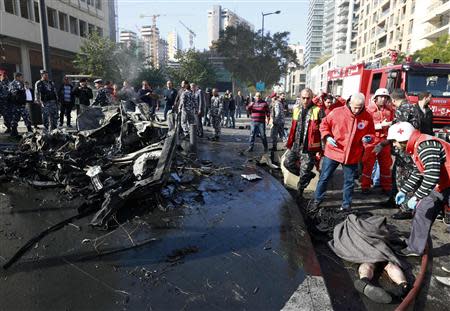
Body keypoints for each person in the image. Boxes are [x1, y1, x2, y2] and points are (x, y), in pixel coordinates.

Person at [389, 122, 450, 257]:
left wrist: (417, 196)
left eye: (394, 141)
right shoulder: (418, 145)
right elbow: (418, 171)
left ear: (403, 139)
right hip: (442, 184)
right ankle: (415, 246)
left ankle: (415, 247)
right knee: (422, 211)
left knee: (424, 209)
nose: (394, 145)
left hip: (445, 185)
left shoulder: (425, 146)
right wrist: (404, 190)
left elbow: (432, 175)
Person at [310, 93, 375, 210]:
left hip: (352, 155)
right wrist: (327, 136)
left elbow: (371, 133)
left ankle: (346, 206)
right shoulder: (337, 112)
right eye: (355, 107)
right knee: (324, 177)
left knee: (349, 182)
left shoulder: (367, 117)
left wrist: (368, 138)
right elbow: (323, 125)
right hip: (333, 151)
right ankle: (317, 200)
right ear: (350, 103)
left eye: (360, 107)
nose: (357, 110)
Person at [379, 88, 420, 219]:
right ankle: (394, 199)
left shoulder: (403, 109)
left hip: (404, 148)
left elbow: (399, 129)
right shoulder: (412, 107)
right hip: (405, 147)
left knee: (404, 177)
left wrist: (385, 142)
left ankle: (406, 208)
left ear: (394, 100)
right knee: (396, 174)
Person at [284, 88, 324, 197]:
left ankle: (300, 191)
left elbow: (323, 129)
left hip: (309, 147)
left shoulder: (318, 110)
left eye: (308, 98)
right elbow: (293, 127)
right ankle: (307, 175)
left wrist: (322, 149)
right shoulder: (296, 109)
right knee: (287, 163)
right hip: (296, 145)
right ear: (300, 98)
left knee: (305, 169)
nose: (305, 100)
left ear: (312, 98)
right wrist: (289, 142)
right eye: (303, 98)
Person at [360, 88, 394, 194]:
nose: (383, 99)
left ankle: (386, 187)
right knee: (368, 164)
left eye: (385, 97)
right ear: (376, 98)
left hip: (385, 141)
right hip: (372, 140)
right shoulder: (368, 110)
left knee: (386, 165)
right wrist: (380, 125)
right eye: (381, 97)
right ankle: (365, 187)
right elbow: (363, 126)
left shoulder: (390, 110)